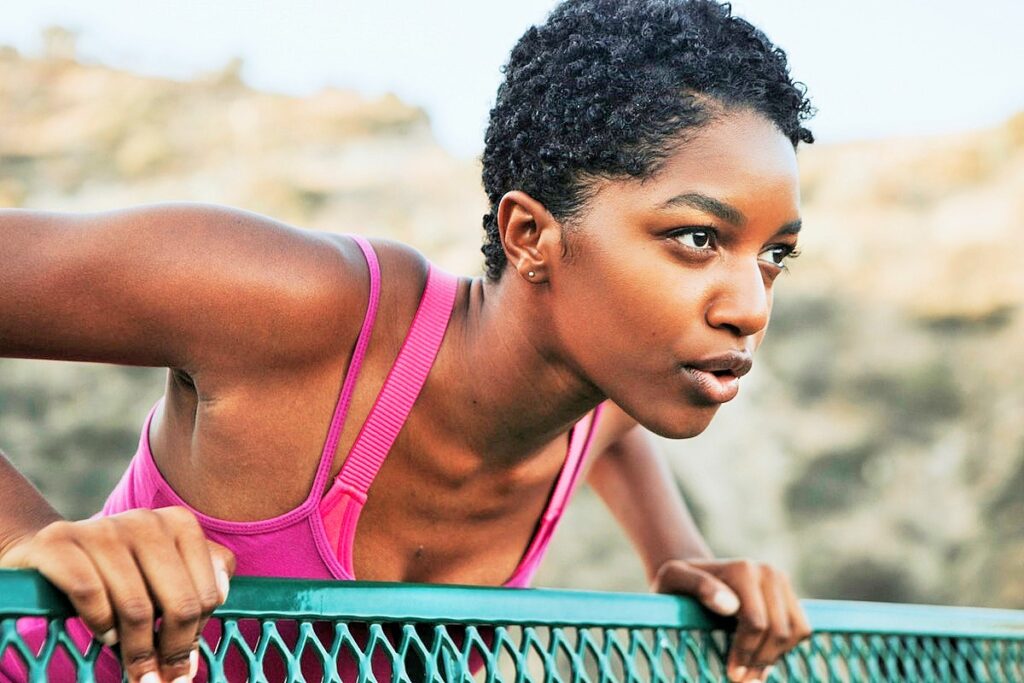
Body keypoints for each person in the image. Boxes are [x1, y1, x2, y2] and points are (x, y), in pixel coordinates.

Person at [0, 0, 816, 681]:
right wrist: (29, 538)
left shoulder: (600, 395)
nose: (751, 307)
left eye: (775, 253)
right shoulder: (298, 306)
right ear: (530, 234)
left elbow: (610, 437)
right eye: (697, 238)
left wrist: (680, 553)